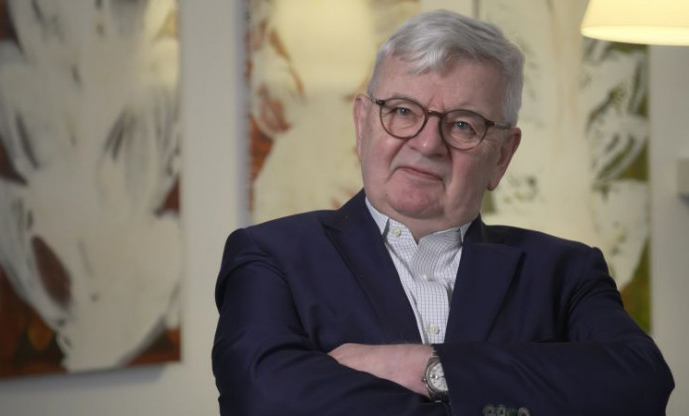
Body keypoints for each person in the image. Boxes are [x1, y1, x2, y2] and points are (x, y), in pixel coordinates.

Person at [212, 9, 674, 416]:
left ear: (502, 156)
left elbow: (641, 384)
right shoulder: (271, 257)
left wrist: (427, 367)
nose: (428, 143)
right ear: (362, 123)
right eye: (402, 111)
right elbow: (262, 401)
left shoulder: (564, 272)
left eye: (462, 125)